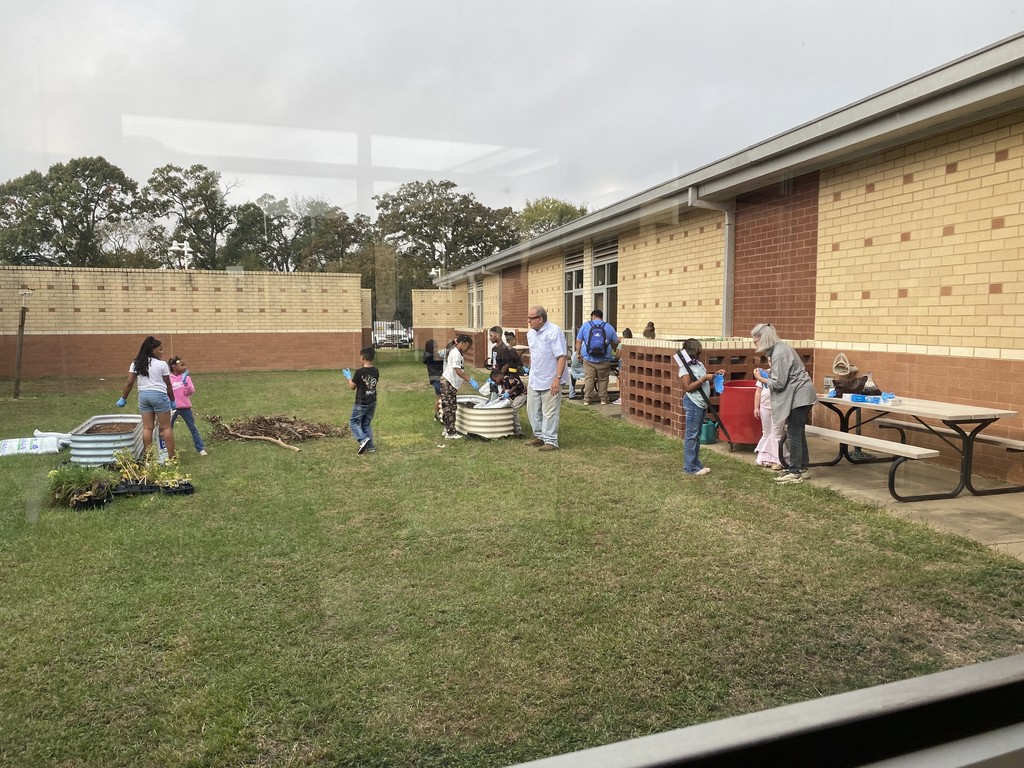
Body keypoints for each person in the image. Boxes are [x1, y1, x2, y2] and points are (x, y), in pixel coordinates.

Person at [752, 323, 817, 484]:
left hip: (799, 396)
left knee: (794, 432)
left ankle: (795, 472)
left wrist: (761, 379)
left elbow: (778, 384)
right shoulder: (780, 348)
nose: (755, 344)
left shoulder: (779, 353)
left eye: (756, 341)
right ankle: (802, 468)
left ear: (764, 339)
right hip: (802, 394)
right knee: (798, 432)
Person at [116, 335, 176, 461]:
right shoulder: (162, 364)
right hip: (159, 396)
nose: (162, 352)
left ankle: (149, 459)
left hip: (143, 397)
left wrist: (123, 398)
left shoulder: (136, 363)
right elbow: (168, 384)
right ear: (152, 350)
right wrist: (172, 400)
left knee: (147, 428)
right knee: (166, 427)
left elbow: (129, 382)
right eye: (160, 349)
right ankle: (172, 458)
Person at [677, 338, 725, 476]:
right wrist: (704, 378)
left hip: (701, 403)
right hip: (693, 403)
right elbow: (688, 387)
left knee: (696, 435)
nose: (700, 352)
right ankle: (690, 468)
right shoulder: (685, 368)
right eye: (698, 350)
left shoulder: (699, 364)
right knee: (691, 435)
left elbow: (704, 381)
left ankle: (695, 463)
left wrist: (715, 375)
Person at [526, 306, 568, 451]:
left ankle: (551, 441)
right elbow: (534, 354)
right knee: (532, 410)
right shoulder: (531, 333)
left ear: (540, 319)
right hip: (535, 378)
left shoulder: (554, 332)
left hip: (551, 379)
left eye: (531, 318)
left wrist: (557, 378)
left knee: (549, 412)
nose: (529, 321)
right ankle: (539, 436)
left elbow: (562, 356)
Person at [575, 308, 619, 405]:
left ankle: (587, 400)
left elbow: (578, 341)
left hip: (588, 358)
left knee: (589, 379)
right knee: (603, 379)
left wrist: (578, 353)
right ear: (601, 317)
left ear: (593, 316)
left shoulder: (585, 326)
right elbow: (615, 342)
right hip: (604, 358)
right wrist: (613, 350)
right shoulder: (608, 327)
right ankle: (603, 399)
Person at [167, 356, 207, 456]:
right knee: (168, 429)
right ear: (174, 367)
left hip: (185, 407)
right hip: (172, 407)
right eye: (182, 365)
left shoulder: (187, 378)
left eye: (185, 365)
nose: (185, 367)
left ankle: (201, 448)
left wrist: (185, 383)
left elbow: (190, 392)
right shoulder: (168, 378)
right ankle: (167, 450)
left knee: (193, 428)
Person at [440, 334, 476, 439]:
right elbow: (458, 371)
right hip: (448, 382)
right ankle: (451, 433)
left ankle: (447, 429)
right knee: (450, 408)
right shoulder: (455, 353)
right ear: (462, 343)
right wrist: (470, 380)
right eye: (467, 346)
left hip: (450, 383)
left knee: (449, 407)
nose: (468, 349)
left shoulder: (458, 353)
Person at [344, 346, 379, 454]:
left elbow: (352, 387)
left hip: (361, 403)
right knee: (366, 423)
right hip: (372, 401)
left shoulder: (359, 372)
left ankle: (363, 439)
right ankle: (371, 447)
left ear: (362, 358)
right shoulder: (376, 370)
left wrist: (348, 377)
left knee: (353, 422)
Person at [753, 360, 787, 470]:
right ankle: (765, 458)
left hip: (779, 408)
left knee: (776, 434)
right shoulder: (764, 373)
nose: (771, 362)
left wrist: (760, 377)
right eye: (769, 360)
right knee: (766, 433)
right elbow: (758, 391)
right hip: (765, 407)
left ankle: (778, 460)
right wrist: (756, 407)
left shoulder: (783, 374)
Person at [487, 365, 528, 437]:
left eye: (495, 380)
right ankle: (512, 428)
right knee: (509, 408)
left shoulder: (508, 379)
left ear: (498, 376)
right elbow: (504, 389)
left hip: (522, 394)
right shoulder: (502, 382)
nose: (495, 383)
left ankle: (518, 430)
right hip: (515, 396)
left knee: (513, 409)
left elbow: (517, 384)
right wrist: (501, 396)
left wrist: (508, 393)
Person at [423, 339, 444, 420]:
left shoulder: (429, 356)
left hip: (436, 379)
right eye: (435, 346)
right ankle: (442, 415)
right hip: (436, 379)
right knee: (445, 395)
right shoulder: (430, 357)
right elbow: (440, 361)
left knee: (438, 397)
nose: (436, 348)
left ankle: (436, 415)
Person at [612, 327, 632, 405]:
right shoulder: (632, 343)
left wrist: (614, 357)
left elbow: (618, 355)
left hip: (622, 363)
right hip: (630, 364)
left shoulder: (621, 344)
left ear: (623, 336)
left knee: (622, 381)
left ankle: (621, 397)